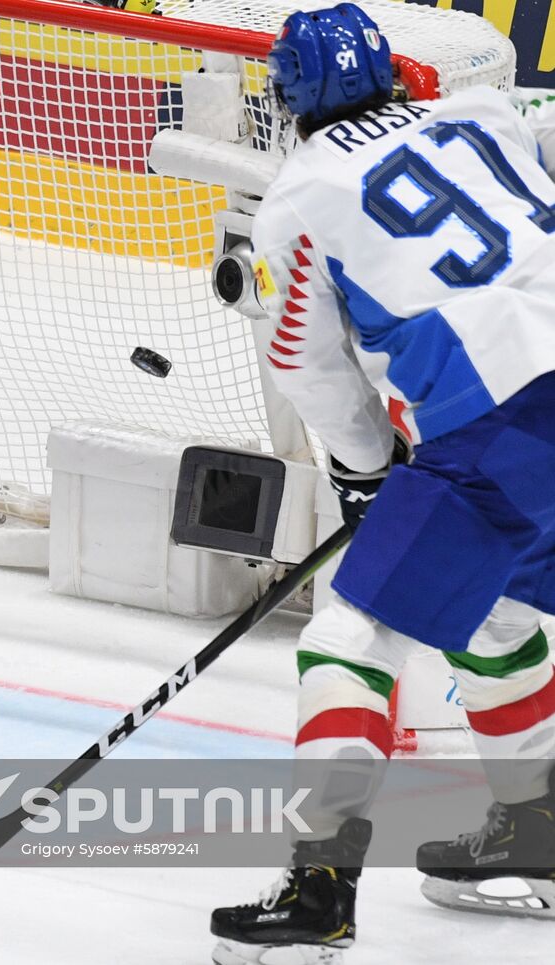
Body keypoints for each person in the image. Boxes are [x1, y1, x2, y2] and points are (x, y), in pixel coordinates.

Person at [209, 7, 555, 963]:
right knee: (496, 607)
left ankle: (320, 891)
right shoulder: (485, 111)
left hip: (505, 416)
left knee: (349, 635)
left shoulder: (300, 195)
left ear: (289, 99)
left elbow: (307, 363)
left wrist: (366, 474)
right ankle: (538, 830)